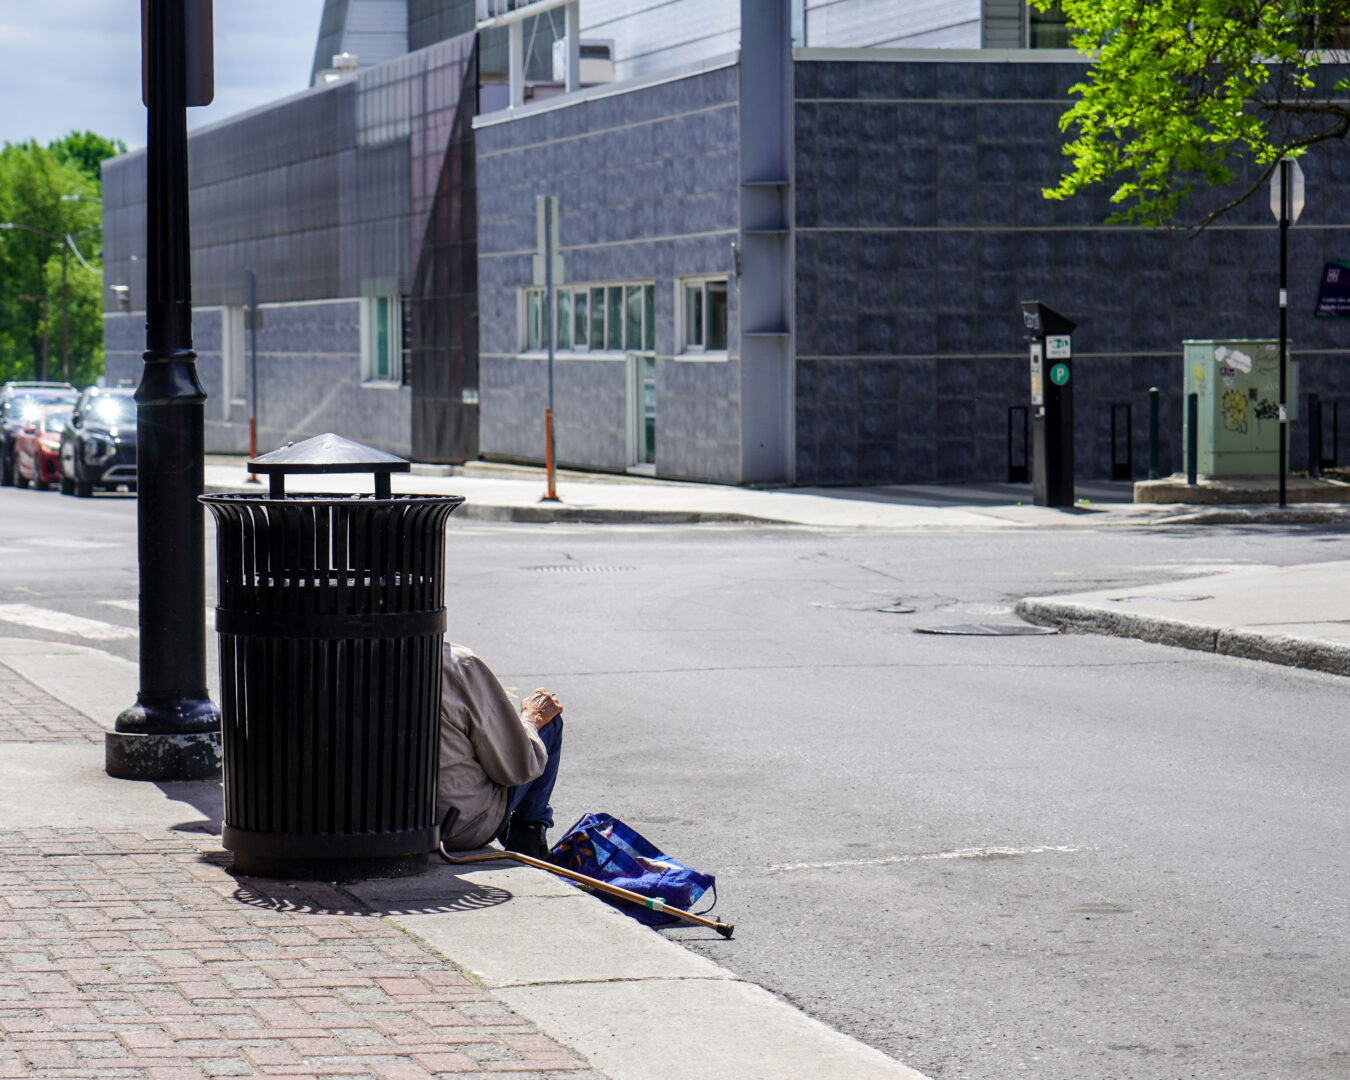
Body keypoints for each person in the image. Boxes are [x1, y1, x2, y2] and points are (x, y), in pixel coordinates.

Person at [436, 642, 563, 859]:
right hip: (453, 826)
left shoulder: (359, 664)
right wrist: (531, 719)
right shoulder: (455, 664)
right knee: (548, 723)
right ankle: (528, 838)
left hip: (369, 821)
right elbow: (517, 768)